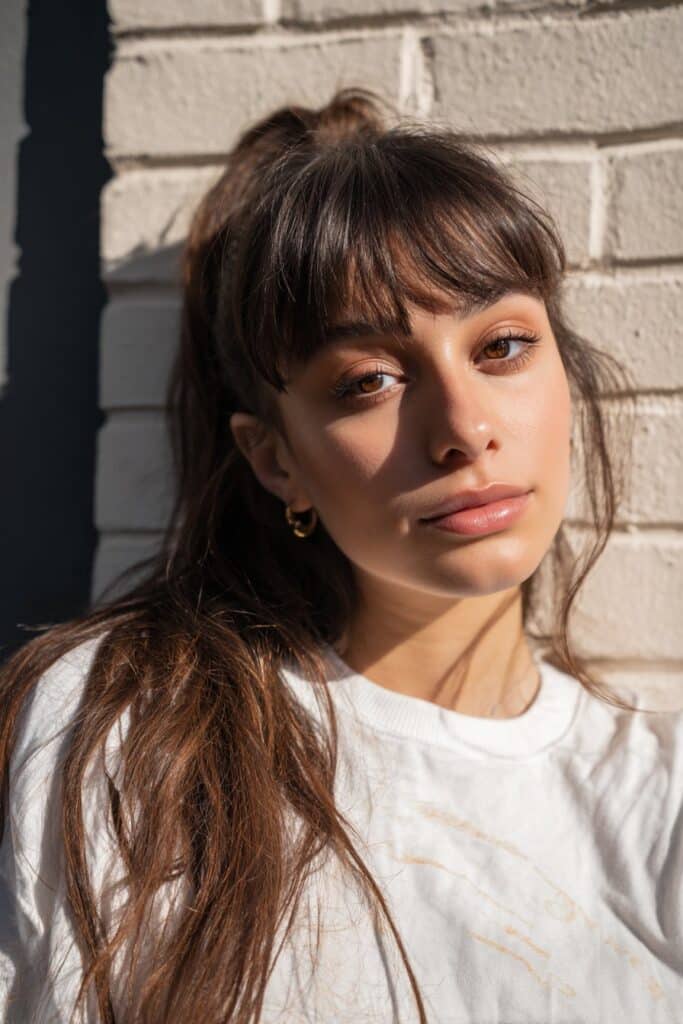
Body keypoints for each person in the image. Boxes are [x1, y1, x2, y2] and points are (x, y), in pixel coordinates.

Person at [0, 85, 680, 1024]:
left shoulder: (659, 802)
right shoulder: (134, 726)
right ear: (277, 460)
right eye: (370, 380)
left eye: (505, 345)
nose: (464, 428)